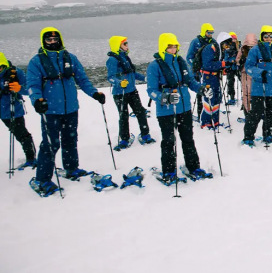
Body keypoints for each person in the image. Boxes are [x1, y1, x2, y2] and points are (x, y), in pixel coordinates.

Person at [27, 27, 105, 196]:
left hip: (70, 108)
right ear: (43, 41)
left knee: (70, 139)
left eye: (55, 39)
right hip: (51, 110)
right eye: (49, 39)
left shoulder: (70, 58)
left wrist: (94, 93)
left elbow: (82, 79)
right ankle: (42, 179)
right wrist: (37, 100)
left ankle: (71, 168)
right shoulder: (37, 62)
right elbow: (32, 85)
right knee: (50, 144)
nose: (53, 42)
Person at [146, 33, 213, 183]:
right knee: (169, 141)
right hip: (166, 111)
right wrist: (166, 98)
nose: (173, 49)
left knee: (188, 139)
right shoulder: (155, 66)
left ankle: (193, 166)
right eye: (170, 46)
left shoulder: (181, 62)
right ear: (164, 47)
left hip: (185, 108)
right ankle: (169, 172)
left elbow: (191, 82)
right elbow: (151, 90)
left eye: (175, 46)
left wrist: (202, 89)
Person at [106, 36, 156, 150]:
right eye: (124, 44)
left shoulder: (125, 57)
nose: (127, 45)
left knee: (140, 112)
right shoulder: (112, 60)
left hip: (132, 91)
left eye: (127, 43)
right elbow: (110, 77)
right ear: (117, 45)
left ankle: (145, 135)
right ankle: (124, 138)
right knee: (123, 116)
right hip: (120, 93)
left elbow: (132, 73)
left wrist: (146, 78)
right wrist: (119, 83)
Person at [0, 52, 36, 169]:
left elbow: (29, 90)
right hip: (5, 110)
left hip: (12, 110)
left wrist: (19, 88)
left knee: (22, 135)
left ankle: (31, 159)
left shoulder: (15, 73)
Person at [186, 23, 215, 121]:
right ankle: (200, 114)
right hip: (198, 73)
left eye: (212, 32)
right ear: (204, 32)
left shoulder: (213, 42)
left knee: (210, 92)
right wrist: (196, 66)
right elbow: (189, 57)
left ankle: (210, 114)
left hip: (209, 73)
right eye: (209, 32)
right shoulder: (196, 42)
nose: (210, 34)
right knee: (200, 93)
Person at [199, 31, 227, 129]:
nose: (226, 47)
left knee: (216, 99)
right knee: (209, 99)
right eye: (226, 44)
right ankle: (205, 122)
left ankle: (215, 121)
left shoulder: (219, 50)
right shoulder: (210, 48)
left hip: (215, 76)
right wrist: (222, 64)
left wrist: (223, 68)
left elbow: (216, 63)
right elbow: (207, 65)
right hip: (208, 77)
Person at [236, 33, 257, 114]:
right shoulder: (257, 49)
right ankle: (250, 111)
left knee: (246, 93)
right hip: (250, 73)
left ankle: (248, 111)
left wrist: (240, 62)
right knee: (250, 93)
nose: (250, 48)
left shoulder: (242, 49)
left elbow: (237, 60)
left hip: (247, 73)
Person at [223, 32, 239, 105]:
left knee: (235, 82)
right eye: (232, 38)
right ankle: (232, 97)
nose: (233, 40)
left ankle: (233, 98)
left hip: (237, 67)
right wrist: (231, 60)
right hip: (230, 67)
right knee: (230, 83)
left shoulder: (239, 46)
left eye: (234, 38)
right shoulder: (226, 47)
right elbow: (225, 58)